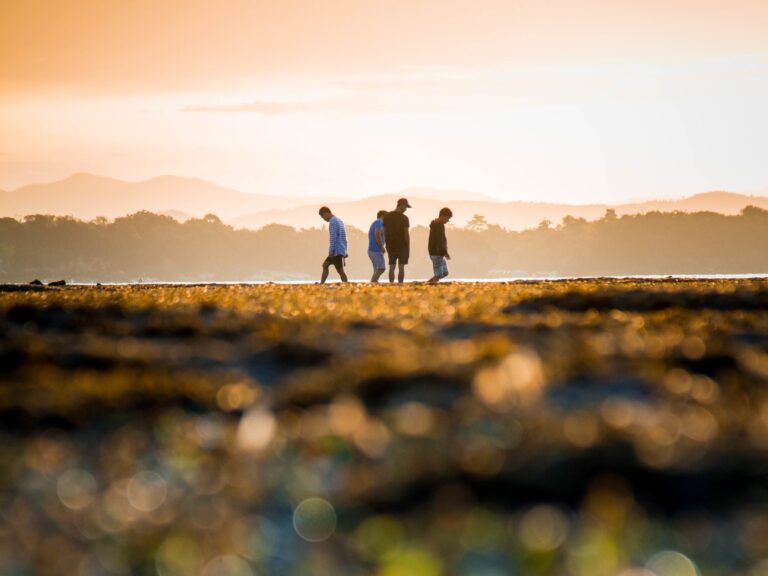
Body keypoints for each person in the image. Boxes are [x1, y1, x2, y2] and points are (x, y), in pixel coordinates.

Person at [382, 198, 411, 283]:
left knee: (392, 266)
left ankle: (391, 284)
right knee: (401, 267)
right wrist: (408, 247)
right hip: (402, 245)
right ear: (401, 205)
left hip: (390, 245)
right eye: (406, 207)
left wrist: (386, 244)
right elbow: (406, 234)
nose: (406, 209)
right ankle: (400, 284)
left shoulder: (387, 216)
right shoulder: (405, 218)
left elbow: (384, 231)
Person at [318, 206, 348, 283]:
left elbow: (333, 238)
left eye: (322, 217)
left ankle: (346, 283)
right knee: (325, 265)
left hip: (336, 251)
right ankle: (322, 283)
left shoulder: (333, 222)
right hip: (340, 249)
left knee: (340, 270)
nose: (324, 219)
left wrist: (331, 251)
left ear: (326, 213)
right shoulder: (339, 220)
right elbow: (344, 237)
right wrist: (345, 250)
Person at [428, 207, 452, 283]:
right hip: (436, 252)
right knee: (438, 274)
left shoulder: (438, 225)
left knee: (445, 273)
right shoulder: (438, 226)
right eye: (447, 218)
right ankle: (432, 284)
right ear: (442, 216)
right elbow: (440, 240)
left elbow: (442, 240)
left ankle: (430, 282)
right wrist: (445, 252)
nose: (448, 221)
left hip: (438, 253)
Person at [367, 210, 387, 282]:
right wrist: (381, 246)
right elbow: (377, 234)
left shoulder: (377, 222)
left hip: (373, 250)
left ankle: (374, 283)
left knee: (377, 269)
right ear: (383, 216)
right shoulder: (379, 222)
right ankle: (372, 282)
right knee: (381, 268)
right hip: (375, 250)